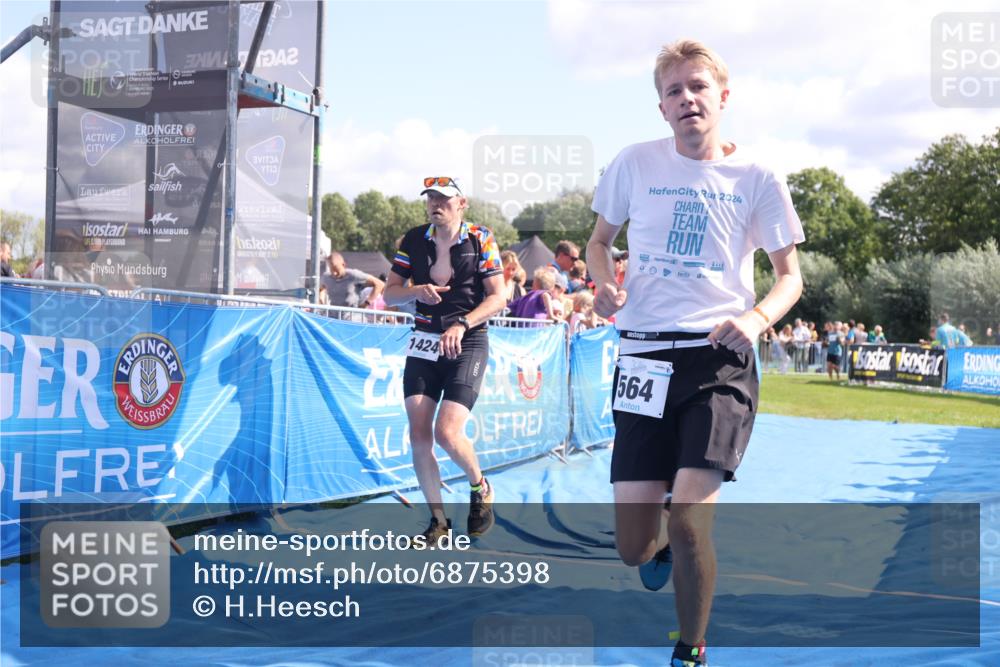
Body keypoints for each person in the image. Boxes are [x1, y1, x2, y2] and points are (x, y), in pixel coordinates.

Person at [586, 40, 803, 667]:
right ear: (661, 107)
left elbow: (791, 276)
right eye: (674, 91)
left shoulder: (757, 177)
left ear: (722, 97)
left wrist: (756, 317)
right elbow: (599, 241)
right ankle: (654, 554)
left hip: (718, 359)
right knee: (634, 546)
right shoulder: (634, 163)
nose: (687, 99)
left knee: (688, 522)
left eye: (698, 87)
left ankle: (691, 649)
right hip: (643, 360)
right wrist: (602, 282)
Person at [383, 176, 506, 543]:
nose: (436, 204)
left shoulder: (480, 238)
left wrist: (463, 323)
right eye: (431, 198)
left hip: (467, 341)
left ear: (462, 203)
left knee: (447, 432)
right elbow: (389, 294)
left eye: (444, 198)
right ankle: (438, 521)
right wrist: (414, 290)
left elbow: (499, 297)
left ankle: (479, 486)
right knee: (419, 434)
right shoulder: (413, 239)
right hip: (424, 342)